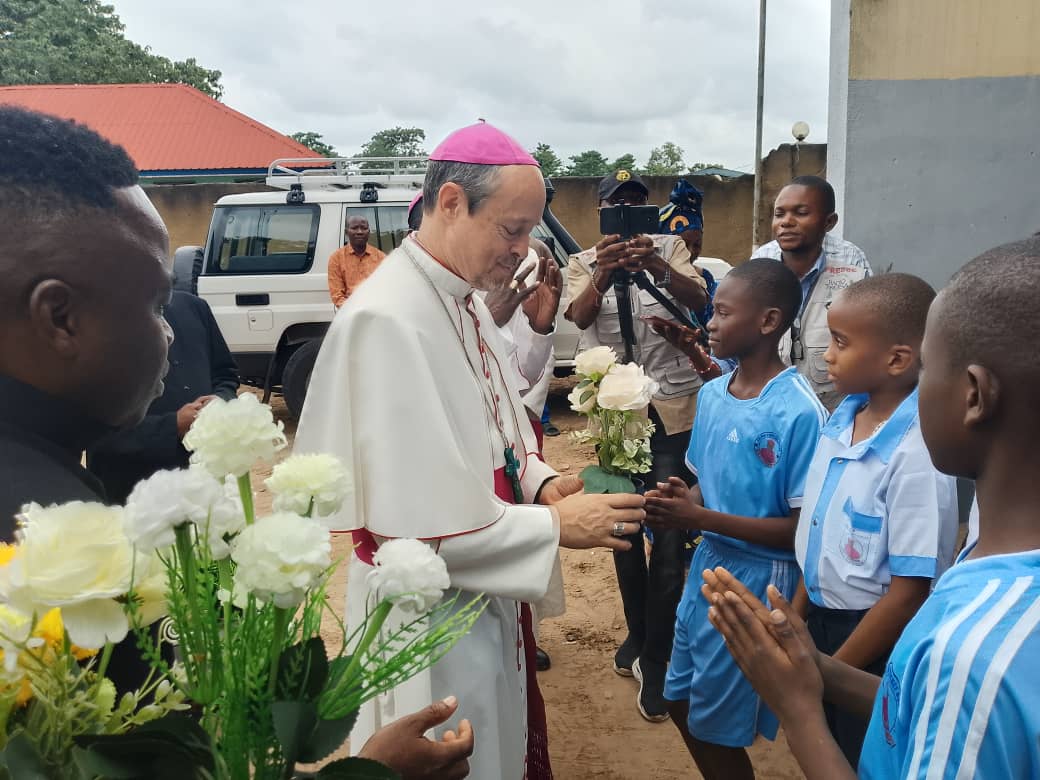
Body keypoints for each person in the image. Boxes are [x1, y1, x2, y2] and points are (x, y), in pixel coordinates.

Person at [0, 106, 475, 778]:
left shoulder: (46, 481)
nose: (169, 334)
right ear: (60, 317)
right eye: (154, 303)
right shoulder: (46, 558)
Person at [294, 121, 646, 779]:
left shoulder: (458, 299)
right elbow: (412, 529)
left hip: (483, 591)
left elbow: (497, 421)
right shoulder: (387, 318)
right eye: (512, 230)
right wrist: (554, 527)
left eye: (531, 231)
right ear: (452, 203)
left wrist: (540, 482)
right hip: (426, 619)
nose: (524, 250)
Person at [703, 236, 1040, 780]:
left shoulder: (974, 652)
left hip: (864, 629)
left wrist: (800, 708)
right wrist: (813, 667)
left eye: (930, 369)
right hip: (830, 628)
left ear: (973, 395)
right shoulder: (842, 422)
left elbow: (908, 592)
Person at [643, 259, 827, 780]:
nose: (711, 325)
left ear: (768, 322)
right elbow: (705, 483)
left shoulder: (798, 412)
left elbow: (801, 532)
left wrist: (698, 515)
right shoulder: (712, 395)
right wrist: (682, 500)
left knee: (715, 727)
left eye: (722, 312)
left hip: (757, 582)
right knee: (676, 698)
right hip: (707, 568)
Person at [792, 274, 959, 766]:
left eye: (841, 343)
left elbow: (909, 591)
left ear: (897, 360)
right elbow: (818, 535)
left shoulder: (916, 454)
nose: (827, 355)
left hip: (872, 640)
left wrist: (828, 674)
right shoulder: (841, 419)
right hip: (821, 624)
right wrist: (798, 617)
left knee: (859, 755)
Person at [565, 169, 709, 722]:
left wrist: (656, 266)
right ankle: (640, 636)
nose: (626, 211)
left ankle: (659, 654)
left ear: (647, 209)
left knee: (669, 535)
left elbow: (698, 301)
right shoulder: (582, 260)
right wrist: (602, 272)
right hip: (617, 418)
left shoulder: (670, 246)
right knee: (623, 531)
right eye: (615, 204)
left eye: (635, 202)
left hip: (673, 411)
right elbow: (578, 316)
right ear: (601, 211)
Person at [87, 290, 240, 503]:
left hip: (204, 485)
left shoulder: (193, 307)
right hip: (134, 495)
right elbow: (95, 434)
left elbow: (225, 375)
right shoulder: (92, 322)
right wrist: (173, 426)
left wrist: (219, 402)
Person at [753, 176, 872, 410]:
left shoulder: (851, 260)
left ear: (829, 222)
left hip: (832, 405)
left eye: (801, 213)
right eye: (779, 214)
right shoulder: (762, 260)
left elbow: (868, 331)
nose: (787, 222)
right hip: (771, 402)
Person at [327, 215, 387, 307]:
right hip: (349, 314)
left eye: (364, 228)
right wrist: (355, 312)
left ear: (369, 232)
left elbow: (386, 290)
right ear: (346, 232)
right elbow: (337, 295)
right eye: (354, 228)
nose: (359, 232)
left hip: (376, 311)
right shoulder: (336, 258)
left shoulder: (381, 257)